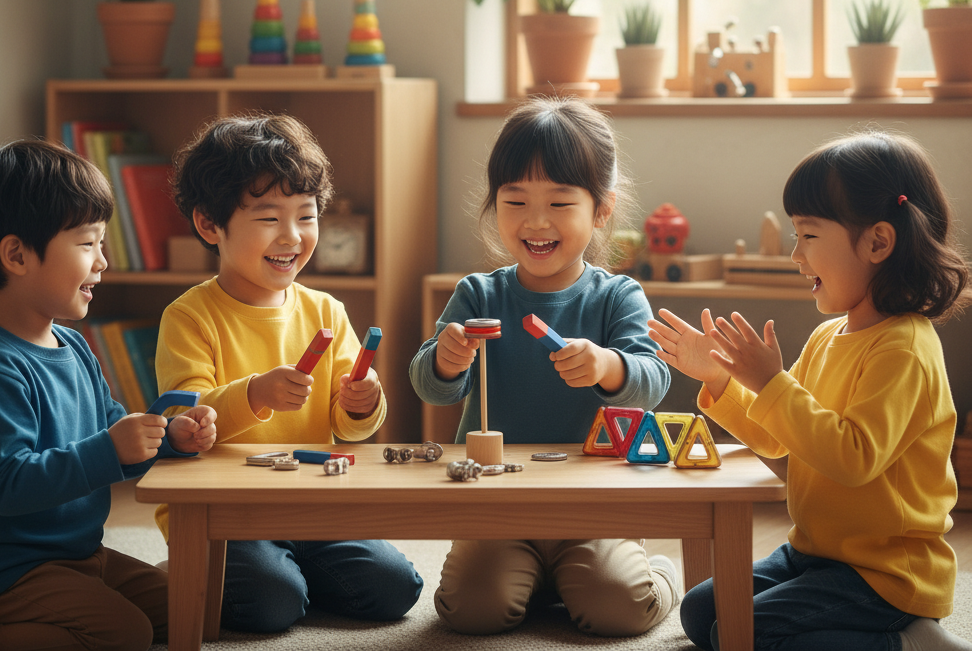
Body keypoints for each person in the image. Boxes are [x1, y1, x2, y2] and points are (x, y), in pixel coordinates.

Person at [649, 131, 971, 651]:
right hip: (819, 551)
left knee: (743, 634)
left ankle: (909, 643)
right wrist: (719, 378)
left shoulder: (904, 349)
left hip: (885, 572)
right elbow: (781, 436)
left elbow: (851, 457)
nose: (796, 255)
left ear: (878, 242)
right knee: (703, 610)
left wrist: (771, 382)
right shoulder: (830, 335)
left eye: (808, 235)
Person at [409, 96, 677, 636]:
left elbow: (652, 381)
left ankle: (660, 573)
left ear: (602, 209)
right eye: (515, 202)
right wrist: (444, 359)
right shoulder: (477, 294)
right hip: (498, 503)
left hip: (594, 504)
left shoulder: (618, 296)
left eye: (559, 203)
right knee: (471, 609)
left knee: (619, 609)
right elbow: (429, 388)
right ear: (494, 205)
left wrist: (608, 367)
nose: (536, 222)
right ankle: (536, 580)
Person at [154, 112, 422, 634]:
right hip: (224, 515)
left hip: (311, 505)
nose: (292, 236)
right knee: (272, 605)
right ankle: (194, 568)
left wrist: (363, 404)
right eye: (269, 218)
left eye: (306, 215)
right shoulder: (189, 316)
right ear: (210, 224)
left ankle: (286, 573)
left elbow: (349, 427)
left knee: (397, 587)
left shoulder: (326, 311)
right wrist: (255, 393)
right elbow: (187, 427)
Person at [0, 139, 217, 651]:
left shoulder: (71, 344)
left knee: (187, 604)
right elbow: (7, 485)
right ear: (16, 255)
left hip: (76, 553)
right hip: (5, 570)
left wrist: (169, 440)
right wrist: (109, 450)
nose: (103, 262)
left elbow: (112, 429)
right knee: (126, 634)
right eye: (88, 243)